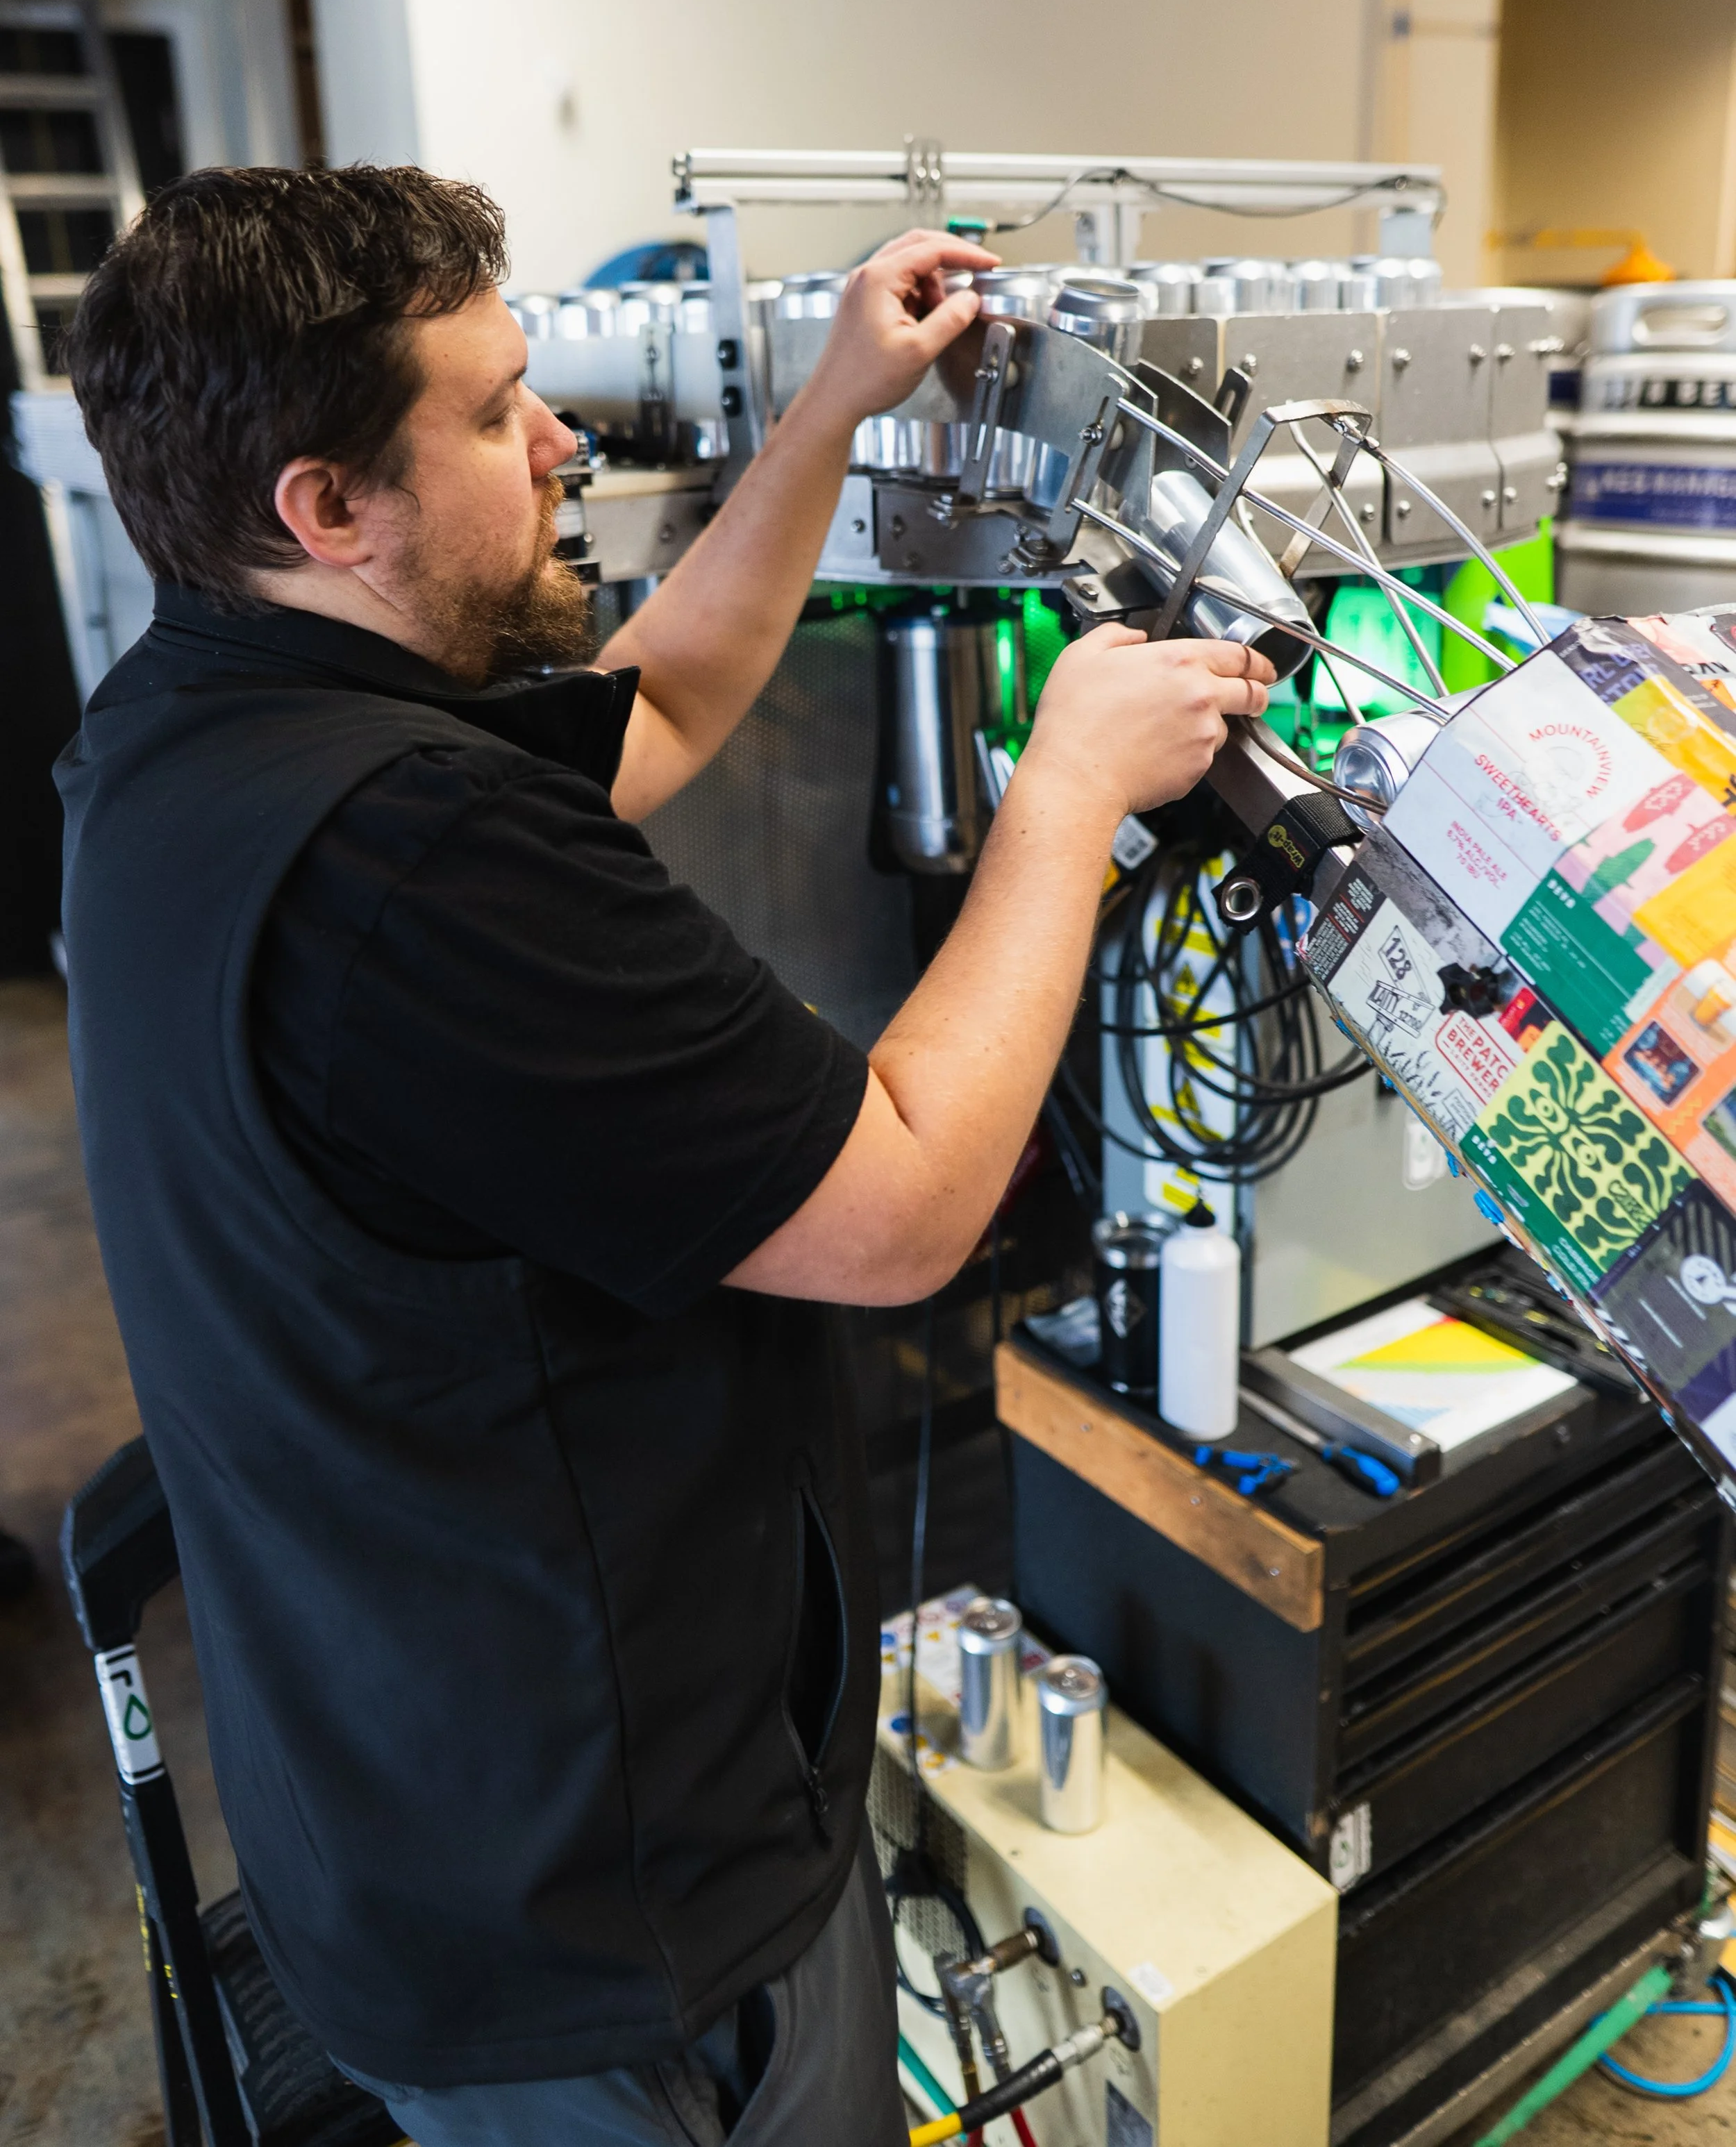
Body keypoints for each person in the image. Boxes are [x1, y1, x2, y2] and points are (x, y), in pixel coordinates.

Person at [56, 167, 1274, 2147]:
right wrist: (1060, 796)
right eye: (491, 411)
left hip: (388, 1783)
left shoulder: (193, 729)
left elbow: (670, 701)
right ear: (322, 505)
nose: (560, 442)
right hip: (597, 1914)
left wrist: (825, 412)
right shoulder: (425, 866)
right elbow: (891, 1208)